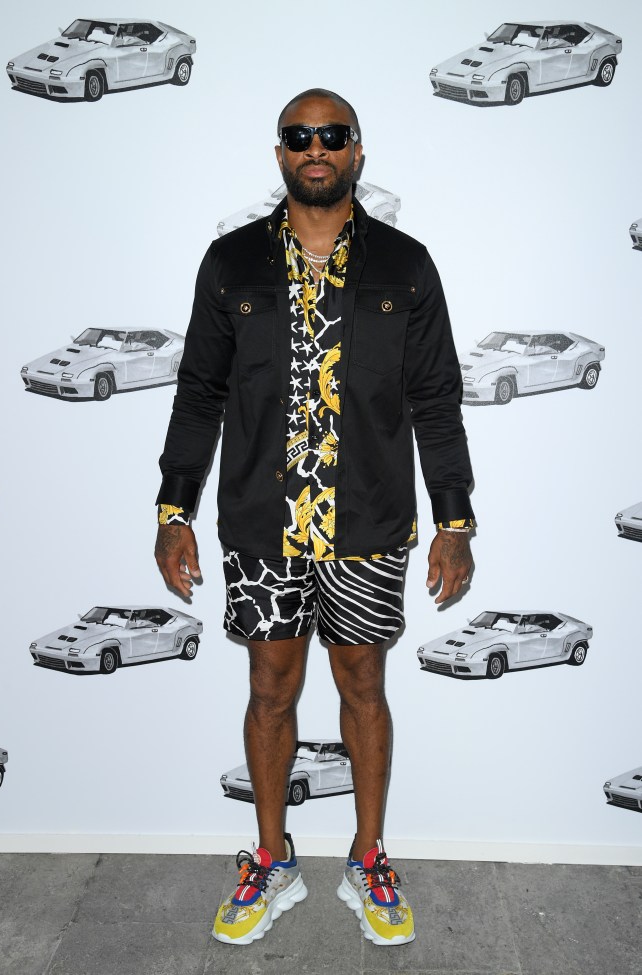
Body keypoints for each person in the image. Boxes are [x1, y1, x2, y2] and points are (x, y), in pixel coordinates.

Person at [154, 88, 475, 947]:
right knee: (270, 689)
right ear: (280, 156)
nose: (316, 148)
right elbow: (199, 393)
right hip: (263, 526)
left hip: (367, 524)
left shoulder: (406, 265)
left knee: (363, 687)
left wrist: (454, 521)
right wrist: (174, 507)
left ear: (357, 151)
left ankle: (368, 856)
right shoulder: (230, 264)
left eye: (332, 135)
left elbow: (436, 399)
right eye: (299, 137)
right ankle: (272, 857)